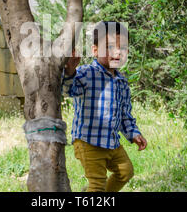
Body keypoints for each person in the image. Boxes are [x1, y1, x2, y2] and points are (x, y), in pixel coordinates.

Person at [62, 21, 147, 192]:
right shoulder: (86, 73)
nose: (117, 52)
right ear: (95, 50)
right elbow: (67, 91)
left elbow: (125, 115)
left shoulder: (122, 82)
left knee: (125, 172)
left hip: (111, 143)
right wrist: (70, 71)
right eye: (109, 47)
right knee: (97, 184)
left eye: (122, 48)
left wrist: (134, 133)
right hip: (88, 142)